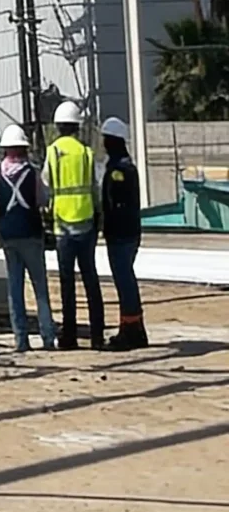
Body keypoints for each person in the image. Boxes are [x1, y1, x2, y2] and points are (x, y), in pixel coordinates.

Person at [0, 120, 56, 352]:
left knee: (15, 288)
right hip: (32, 234)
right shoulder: (33, 172)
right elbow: (43, 199)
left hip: (8, 235)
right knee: (40, 288)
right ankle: (48, 337)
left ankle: (21, 339)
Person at [45, 100, 104, 351]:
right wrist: (98, 217)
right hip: (86, 224)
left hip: (63, 227)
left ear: (58, 126)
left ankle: (69, 336)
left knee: (67, 283)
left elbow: (46, 185)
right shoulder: (86, 153)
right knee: (91, 280)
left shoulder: (53, 152)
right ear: (77, 127)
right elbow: (94, 188)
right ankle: (97, 336)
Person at [100, 116, 147, 350]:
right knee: (125, 279)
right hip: (128, 232)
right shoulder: (125, 166)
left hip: (121, 233)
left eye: (106, 139)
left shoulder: (119, 169)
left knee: (124, 280)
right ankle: (132, 328)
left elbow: (116, 203)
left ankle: (131, 330)